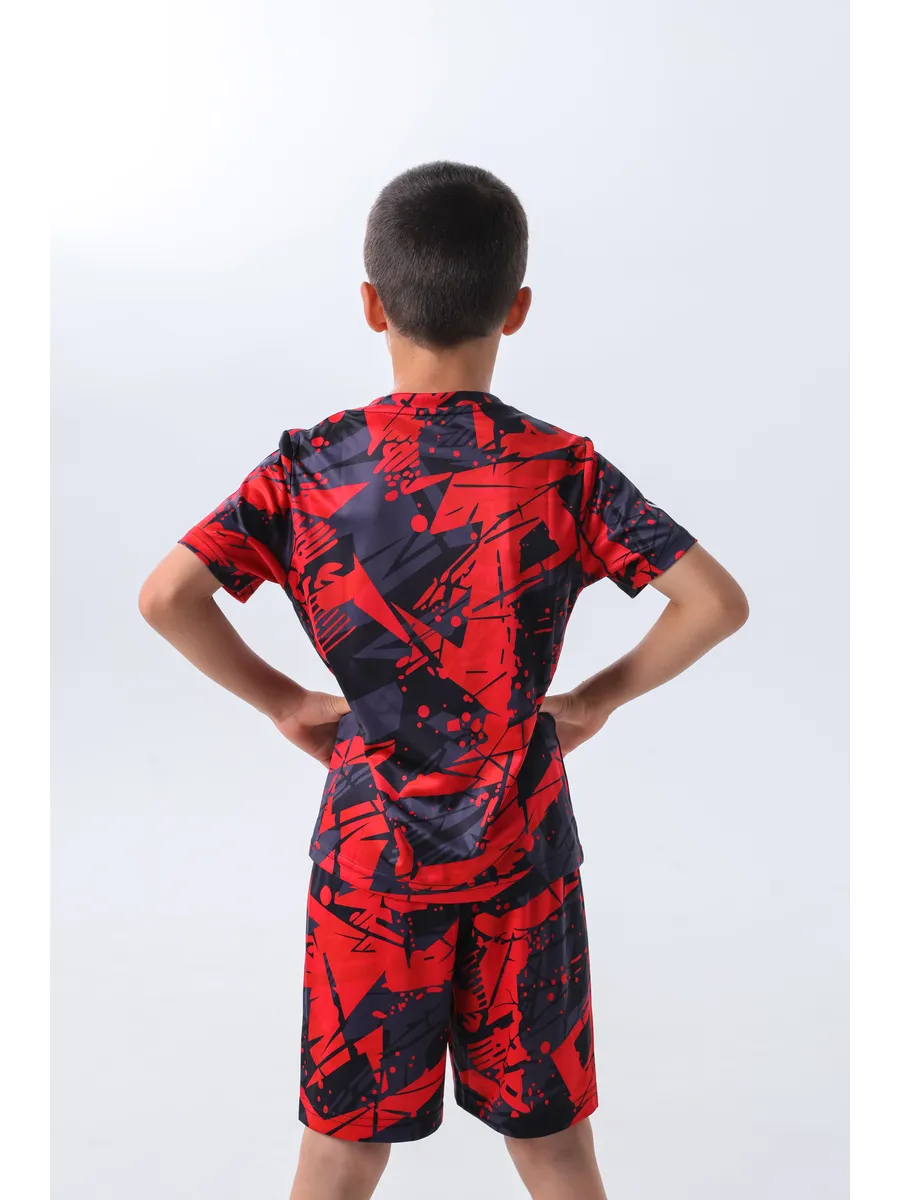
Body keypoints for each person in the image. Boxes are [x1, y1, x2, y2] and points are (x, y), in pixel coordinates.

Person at [139, 160, 748, 1200]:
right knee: (554, 1146)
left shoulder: (310, 468)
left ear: (371, 303)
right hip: (523, 846)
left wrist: (287, 702)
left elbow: (166, 597)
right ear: (517, 308)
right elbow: (714, 603)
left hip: (371, 858)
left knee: (341, 1150)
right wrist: (592, 701)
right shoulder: (562, 469)